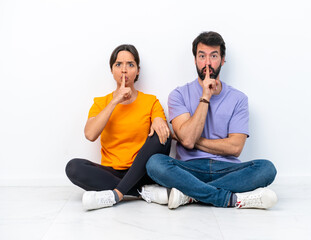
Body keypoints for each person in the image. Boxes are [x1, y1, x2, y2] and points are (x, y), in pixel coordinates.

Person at [145, 31, 278, 210]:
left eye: (213, 56)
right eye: (202, 56)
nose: (207, 63)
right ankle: (226, 198)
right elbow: (188, 139)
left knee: (267, 169)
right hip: (189, 169)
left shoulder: (238, 99)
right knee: (155, 163)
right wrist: (205, 97)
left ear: (223, 60)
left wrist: (189, 141)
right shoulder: (178, 95)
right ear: (195, 60)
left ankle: (189, 195)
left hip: (227, 168)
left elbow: (235, 148)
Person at [65, 44, 171, 210]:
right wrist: (115, 101)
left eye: (130, 64)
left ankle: (117, 194)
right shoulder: (101, 103)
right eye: (118, 64)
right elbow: (90, 134)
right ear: (112, 70)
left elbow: (163, 134)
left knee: (163, 134)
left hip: (141, 171)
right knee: (73, 167)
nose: (124, 70)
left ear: (137, 71)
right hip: (111, 172)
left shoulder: (151, 101)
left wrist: (158, 120)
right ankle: (141, 192)